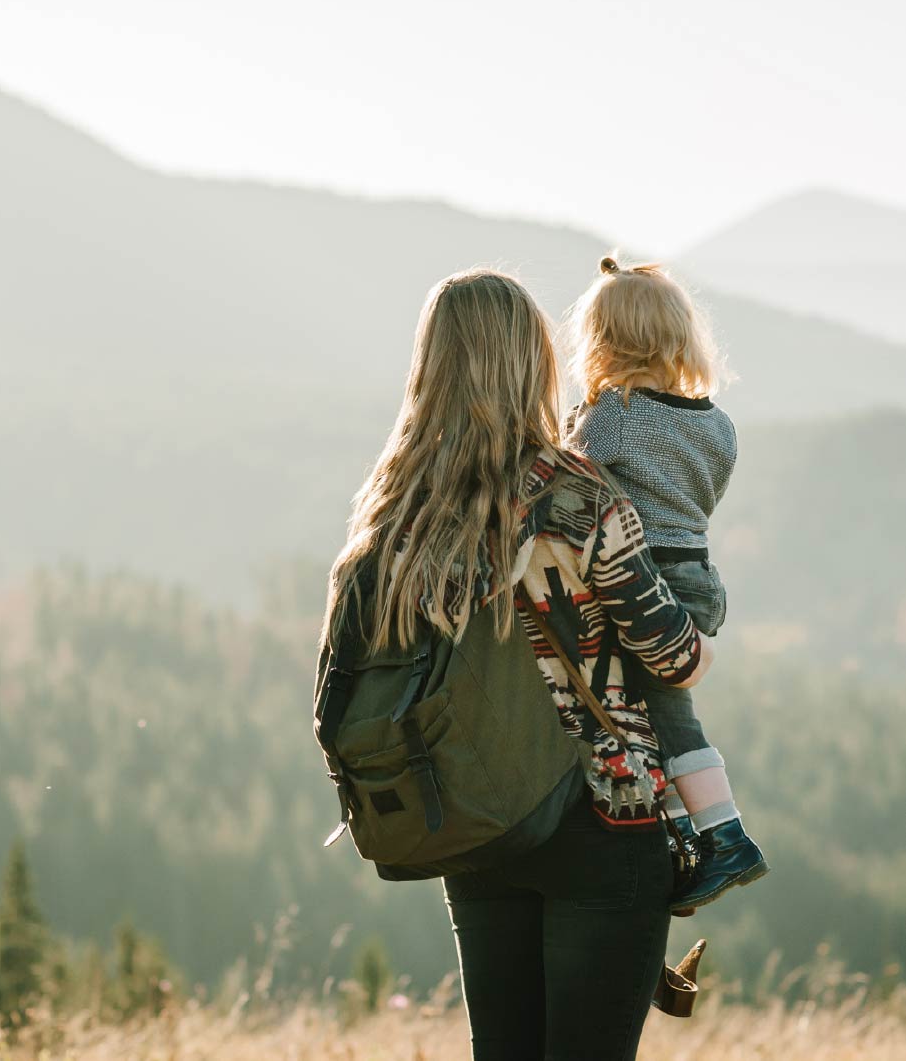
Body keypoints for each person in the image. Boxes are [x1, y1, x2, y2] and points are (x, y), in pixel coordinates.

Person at [321, 268, 712, 1060]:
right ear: (533, 364)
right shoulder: (575, 495)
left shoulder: (395, 514)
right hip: (606, 818)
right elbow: (671, 657)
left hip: (478, 820)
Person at [566, 256, 768, 914]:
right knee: (654, 712)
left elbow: (564, 476)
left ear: (602, 340)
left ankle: (724, 838)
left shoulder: (614, 412)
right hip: (698, 577)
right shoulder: (716, 423)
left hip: (643, 579)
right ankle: (678, 834)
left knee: (668, 718)